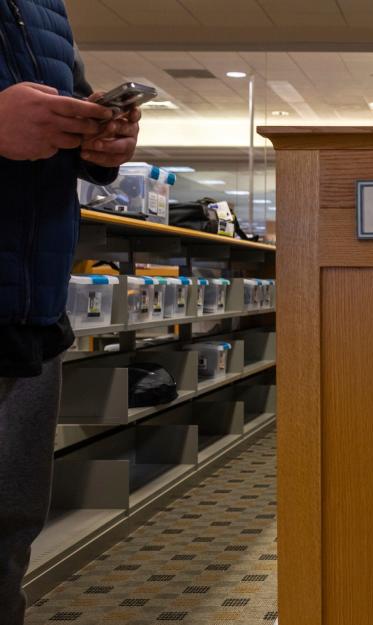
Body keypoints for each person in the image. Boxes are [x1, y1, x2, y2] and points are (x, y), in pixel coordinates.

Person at [0, 1, 141, 622]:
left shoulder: (43, 9)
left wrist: (95, 143)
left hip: (32, 307)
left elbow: (55, 119)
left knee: (10, 531)